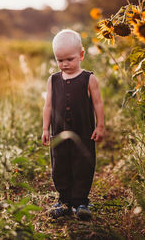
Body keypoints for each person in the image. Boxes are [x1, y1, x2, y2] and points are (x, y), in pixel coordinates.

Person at [41, 29, 105, 220]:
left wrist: (100, 126)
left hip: (83, 133)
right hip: (59, 133)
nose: (65, 64)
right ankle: (64, 200)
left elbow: (98, 103)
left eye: (69, 59)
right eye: (60, 60)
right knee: (59, 166)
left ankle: (81, 202)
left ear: (81, 55)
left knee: (83, 165)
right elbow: (48, 105)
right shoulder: (53, 80)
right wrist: (45, 128)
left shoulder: (88, 79)